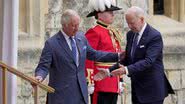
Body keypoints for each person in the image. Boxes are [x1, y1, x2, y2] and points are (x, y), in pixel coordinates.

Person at [34, 9, 122, 104]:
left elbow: (94, 54)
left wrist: (118, 56)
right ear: (64, 25)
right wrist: (39, 76)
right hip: (61, 95)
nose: (76, 28)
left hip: (80, 94)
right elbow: (43, 66)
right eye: (73, 26)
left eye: (78, 25)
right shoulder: (52, 44)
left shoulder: (81, 38)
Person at [94, 6, 175, 104]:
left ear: (141, 19)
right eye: (127, 23)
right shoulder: (131, 34)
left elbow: (148, 61)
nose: (129, 26)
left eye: (132, 23)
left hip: (152, 90)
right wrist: (108, 71)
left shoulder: (154, 36)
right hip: (137, 89)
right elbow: (127, 59)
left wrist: (126, 70)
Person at [85, 0, 124, 104]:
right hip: (101, 83)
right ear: (100, 14)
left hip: (113, 81)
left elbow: (119, 58)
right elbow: (88, 58)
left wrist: (120, 80)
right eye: (109, 11)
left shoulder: (112, 31)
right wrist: (90, 81)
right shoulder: (94, 31)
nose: (112, 14)